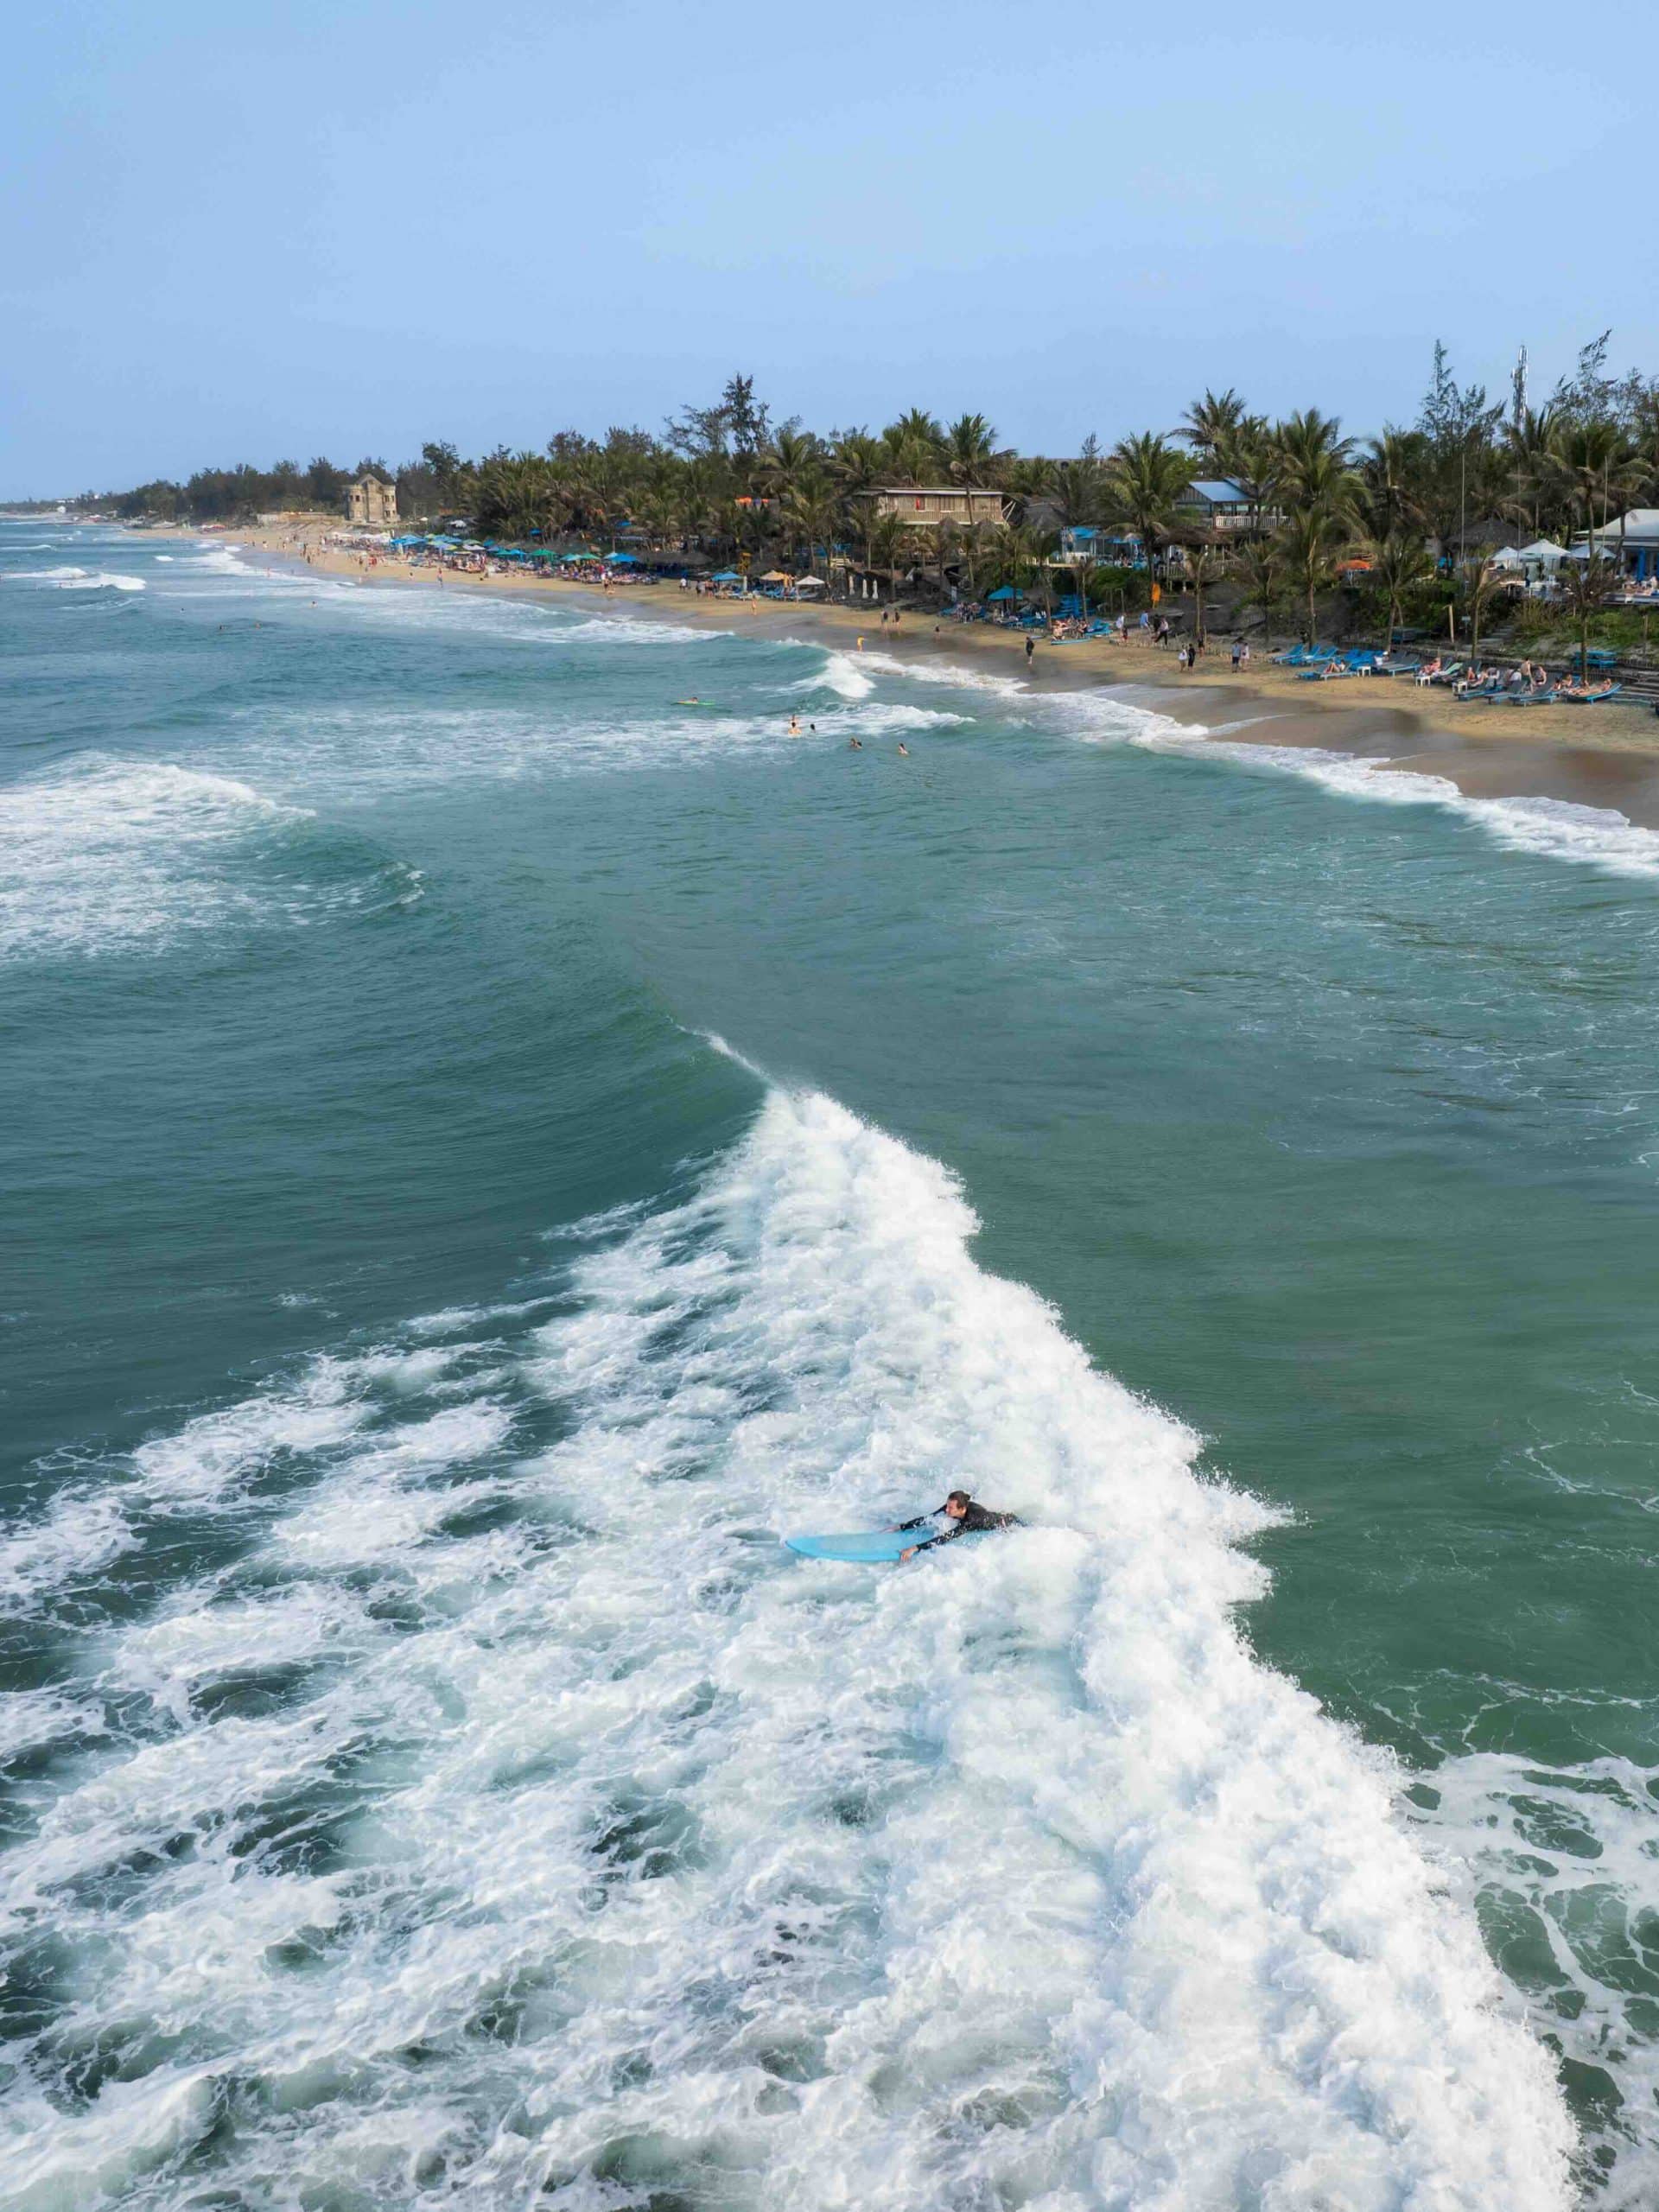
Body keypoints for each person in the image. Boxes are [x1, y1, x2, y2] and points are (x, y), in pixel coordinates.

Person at [893, 1490, 1021, 1560]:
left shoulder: (970, 1520)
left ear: (962, 1509)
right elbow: (929, 1517)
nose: (946, 1510)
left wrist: (914, 1548)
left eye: (950, 1508)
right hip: (998, 1517)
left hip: (1008, 1524)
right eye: (947, 1506)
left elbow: (946, 1538)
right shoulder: (953, 1507)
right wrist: (902, 1526)